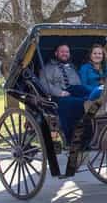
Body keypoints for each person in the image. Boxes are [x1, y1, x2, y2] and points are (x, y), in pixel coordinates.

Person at [39, 43, 98, 177]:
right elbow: (45, 85)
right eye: (62, 52)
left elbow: (78, 84)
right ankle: (73, 139)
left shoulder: (72, 67)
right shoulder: (47, 68)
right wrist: (60, 92)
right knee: (76, 104)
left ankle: (93, 129)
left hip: (74, 90)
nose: (65, 54)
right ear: (56, 53)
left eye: (67, 52)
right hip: (57, 96)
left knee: (89, 96)